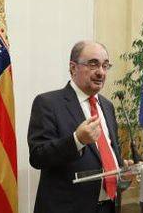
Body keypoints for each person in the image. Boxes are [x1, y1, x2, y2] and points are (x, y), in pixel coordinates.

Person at [28, 40, 131, 213]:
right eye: (93, 64)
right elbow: (38, 157)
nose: (101, 72)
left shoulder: (107, 106)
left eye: (105, 66)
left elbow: (108, 158)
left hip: (107, 207)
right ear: (73, 68)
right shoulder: (48, 103)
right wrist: (77, 140)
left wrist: (123, 174)